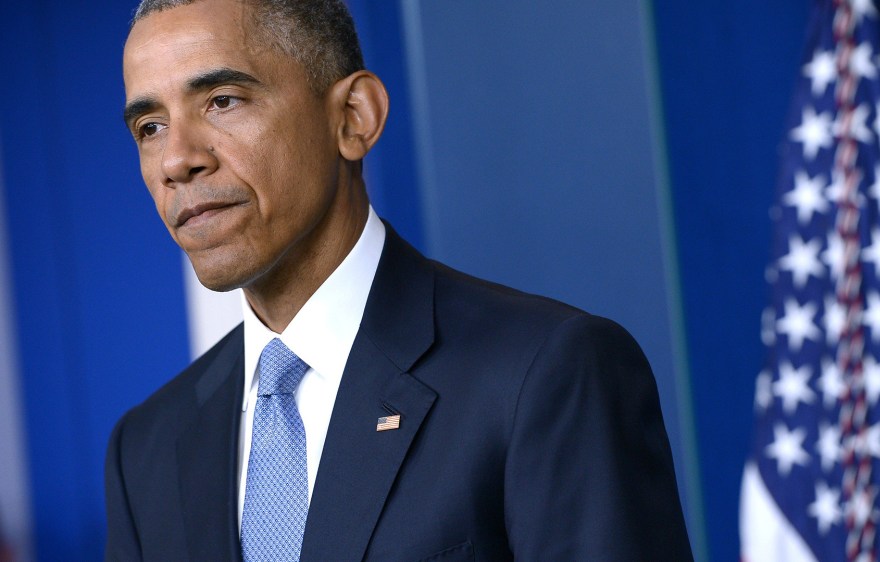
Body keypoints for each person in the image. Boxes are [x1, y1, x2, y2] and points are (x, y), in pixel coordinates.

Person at [104, 0, 693, 559]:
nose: (177, 159)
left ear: (354, 117)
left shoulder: (545, 372)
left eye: (223, 100)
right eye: (150, 126)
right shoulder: (146, 449)